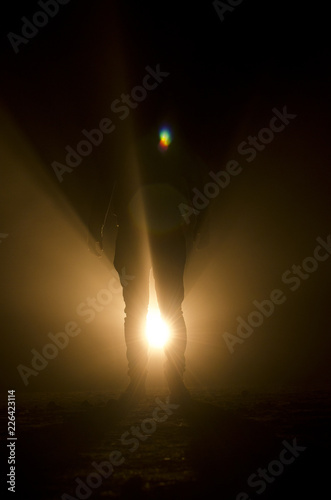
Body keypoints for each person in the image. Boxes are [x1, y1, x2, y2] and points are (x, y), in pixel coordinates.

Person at [88, 105, 208, 406]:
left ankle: (146, 382)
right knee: (166, 306)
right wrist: (200, 223)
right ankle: (170, 382)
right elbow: (199, 183)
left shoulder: (129, 147)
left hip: (139, 233)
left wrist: (98, 227)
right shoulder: (169, 148)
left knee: (141, 308)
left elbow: (107, 186)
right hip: (162, 233)